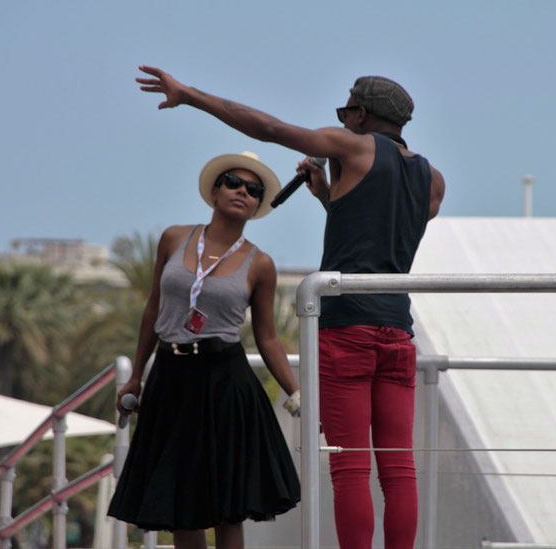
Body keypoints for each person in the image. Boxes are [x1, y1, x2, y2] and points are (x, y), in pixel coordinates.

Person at [135, 66, 444, 549]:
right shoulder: (433, 180)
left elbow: (271, 130)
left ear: (360, 115)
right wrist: (329, 197)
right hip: (397, 333)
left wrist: (191, 96)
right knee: (399, 466)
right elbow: (380, 233)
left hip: (347, 330)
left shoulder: (353, 147)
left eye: (346, 113)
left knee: (348, 464)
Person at [107, 150, 301, 549]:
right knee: (181, 500)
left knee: (226, 503)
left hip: (225, 383)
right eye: (233, 182)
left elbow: (267, 337)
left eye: (254, 190)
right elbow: (153, 309)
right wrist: (137, 377)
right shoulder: (175, 238)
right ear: (214, 191)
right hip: (171, 376)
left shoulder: (260, 263)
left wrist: (294, 391)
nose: (242, 192)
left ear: (258, 205)